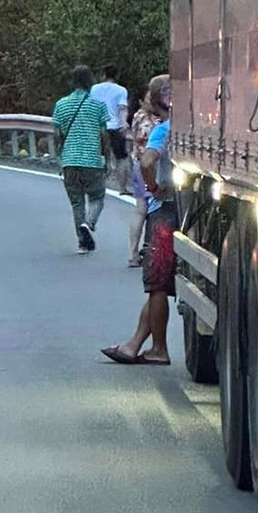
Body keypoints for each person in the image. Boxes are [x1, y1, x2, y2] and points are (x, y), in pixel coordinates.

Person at [101, 76, 175, 365]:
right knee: (159, 286)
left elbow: (146, 162)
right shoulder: (191, 129)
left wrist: (152, 186)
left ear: (154, 102)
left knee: (156, 284)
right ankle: (134, 345)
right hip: (189, 208)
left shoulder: (163, 130)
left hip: (165, 210)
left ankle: (157, 349)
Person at [52, 65, 111, 253]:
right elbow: (104, 135)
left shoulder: (61, 105)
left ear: (73, 82)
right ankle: (89, 223)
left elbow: (57, 134)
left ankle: (82, 243)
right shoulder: (98, 105)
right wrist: (106, 158)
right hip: (92, 160)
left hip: (70, 161)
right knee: (97, 197)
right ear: (90, 81)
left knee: (77, 202)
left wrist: (61, 155)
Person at [124, 76, 167, 268]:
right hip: (145, 167)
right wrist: (153, 185)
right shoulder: (145, 120)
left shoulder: (152, 119)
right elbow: (147, 153)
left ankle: (140, 251)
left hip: (144, 166)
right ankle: (135, 252)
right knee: (143, 210)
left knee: (146, 210)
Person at [90, 65, 130, 192]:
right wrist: (124, 123)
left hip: (97, 126)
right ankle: (123, 187)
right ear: (116, 76)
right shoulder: (121, 90)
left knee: (97, 156)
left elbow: (91, 107)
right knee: (121, 157)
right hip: (115, 127)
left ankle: (96, 184)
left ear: (103, 75)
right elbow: (122, 108)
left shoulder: (94, 89)